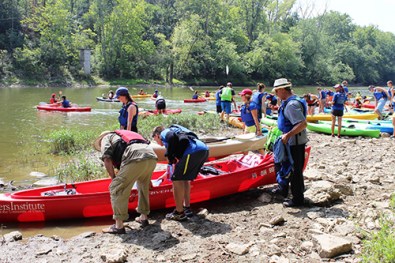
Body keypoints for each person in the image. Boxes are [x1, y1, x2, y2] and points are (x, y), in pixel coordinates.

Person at [94, 130, 158, 234]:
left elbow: (107, 159)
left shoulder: (106, 138)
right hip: (152, 156)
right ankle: (144, 217)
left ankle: (118, 226)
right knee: (143, 186)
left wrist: (113, 178)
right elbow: (142, 152)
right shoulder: (124, 136)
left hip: (135, 157)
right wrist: (148, 177)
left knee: (116, 188)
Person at [152, 125, 209, 220]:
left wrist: (168, 154)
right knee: (184, 179)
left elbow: (171, 137)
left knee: (177, 180)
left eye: (154, 139)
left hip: (193, 152)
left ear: (157, 135)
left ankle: (179, 212)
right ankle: (186, 208)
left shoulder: (164, 133)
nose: (156, 142)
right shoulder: (177, 133)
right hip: (203, 150)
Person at [272, 78, 307, 207]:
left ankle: (297, 199)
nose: (276, 93)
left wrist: (288, 134)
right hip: (290, 141)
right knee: (285, 166)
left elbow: (302, 124)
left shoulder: (292, 105)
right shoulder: (288, 101)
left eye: (276, 91)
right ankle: (285, 190)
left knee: (295, 170)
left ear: (282, 89)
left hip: (294, 142)